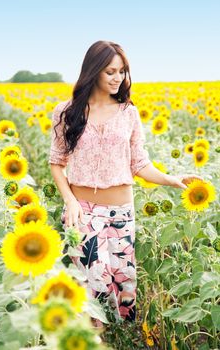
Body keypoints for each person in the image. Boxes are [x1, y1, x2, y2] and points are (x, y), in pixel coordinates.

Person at [48, 40, 204, 328]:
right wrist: (69, 200)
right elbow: (57, 161)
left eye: (122, 71)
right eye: (110, 71)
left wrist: (172, 179)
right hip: (82, 212)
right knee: (90, 287)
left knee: (122, 287)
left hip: (121, 213)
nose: (118, 78)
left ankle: (120, 340)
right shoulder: (67, 111)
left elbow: (140, 164)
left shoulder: (128, 113)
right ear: (93, 72)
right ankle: (93, 341)